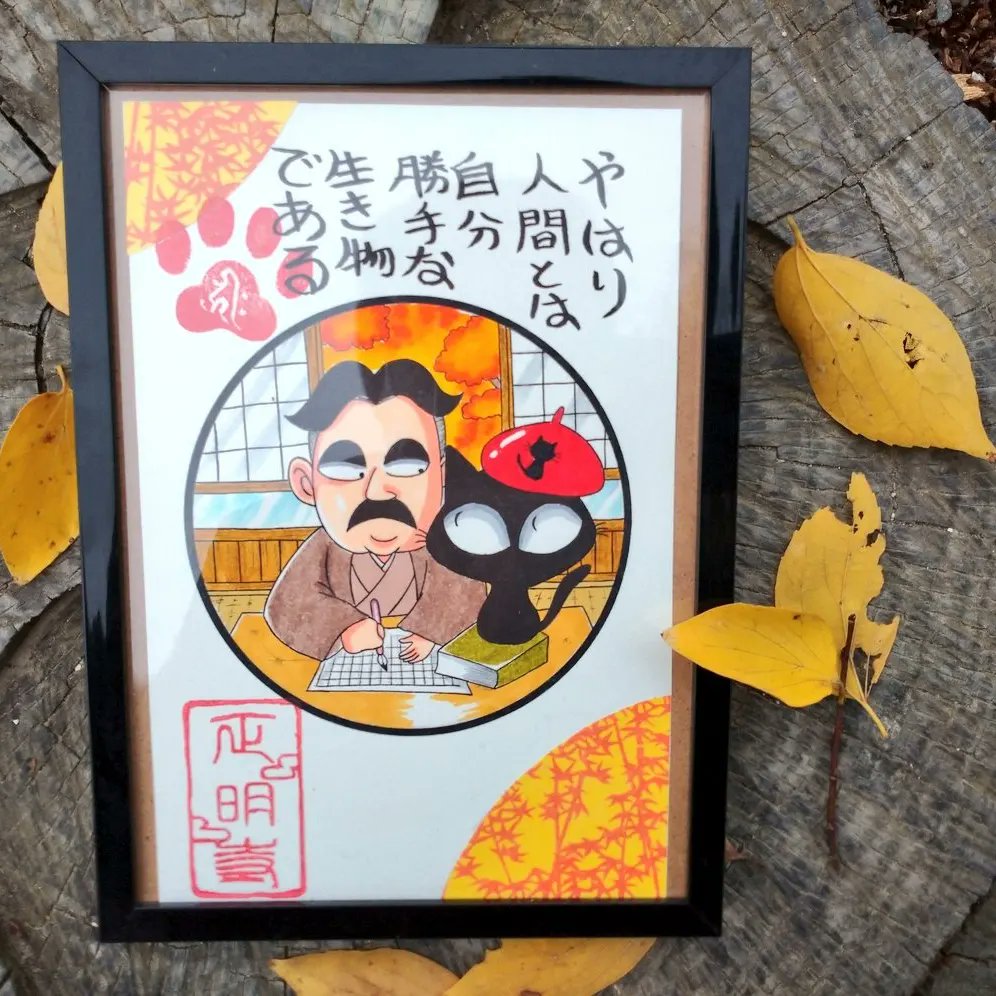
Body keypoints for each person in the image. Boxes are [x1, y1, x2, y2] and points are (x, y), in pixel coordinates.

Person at [264, 358, 486, 663]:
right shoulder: (323, 547)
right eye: (345, 468)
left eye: (407, 465)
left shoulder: (441, 544)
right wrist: (346, 629)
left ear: (443, 476)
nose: (376, 490)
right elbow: (288, 604)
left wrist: (431, 632)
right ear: (306, 484)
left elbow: (466, 593)